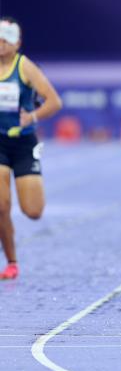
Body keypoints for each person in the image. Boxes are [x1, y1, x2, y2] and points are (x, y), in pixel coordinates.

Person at [0, 18, 63, 280]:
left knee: (33, 211)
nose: (1, 44)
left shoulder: (24, 67)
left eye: (6, 39)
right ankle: (12, 262)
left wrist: (32, 117)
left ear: (17, 43)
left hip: (24, 143)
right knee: (1, 206)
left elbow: (54, 102)